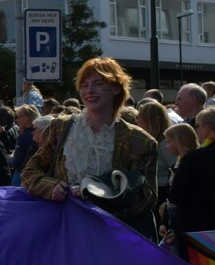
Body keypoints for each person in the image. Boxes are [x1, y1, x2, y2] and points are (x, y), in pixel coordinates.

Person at [23, 57, 159, 240]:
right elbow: (30, 172)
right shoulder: (60, 127)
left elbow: (147, 196)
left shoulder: (141, 141)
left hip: (112, 238)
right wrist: (52, 187)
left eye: (98, 83)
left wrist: (102, 197)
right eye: (84, 85)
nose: (89, 91)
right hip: (63, 232)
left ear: (116, 88)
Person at [161, 107, 215, 253]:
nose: (196, 130)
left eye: (197, 126)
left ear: (206, 128)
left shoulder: (192, 158)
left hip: (195, 230)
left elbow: (177, 196)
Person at [135, 101, 174, 209]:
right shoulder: (150, 142)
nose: (136, 120)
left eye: (139, 117)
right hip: (151, 191)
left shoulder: (165, 144)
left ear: (150, 121)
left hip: (163, 193)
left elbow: (176, 168)